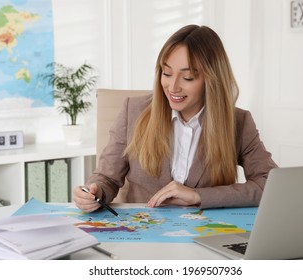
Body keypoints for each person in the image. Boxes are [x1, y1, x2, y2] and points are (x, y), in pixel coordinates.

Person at [73, 24, 277, 212]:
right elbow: (106, 178)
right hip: (144, 234)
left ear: (212, 79)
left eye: (188, 77)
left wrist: (198, 196)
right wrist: (95, 192)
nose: (173, 87)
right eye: (167, 73)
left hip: (204, 234)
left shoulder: (238, 122)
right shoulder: (132, 111)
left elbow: (271, 183)